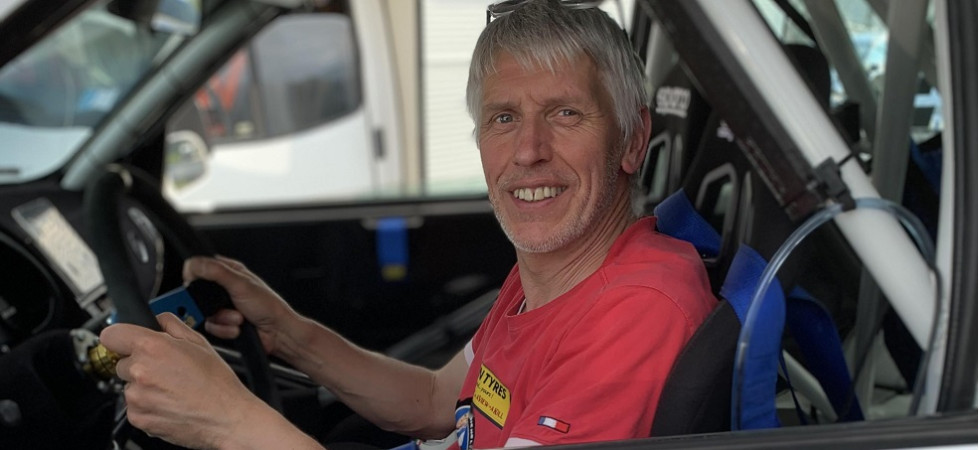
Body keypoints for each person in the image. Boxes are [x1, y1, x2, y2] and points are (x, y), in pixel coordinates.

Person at [98, 1, 717, 448]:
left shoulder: (637, 310)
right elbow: (436, 400)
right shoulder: (557, 272)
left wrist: (227, 421)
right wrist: (286, 332)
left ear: (631, 140)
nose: (528, 150)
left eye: (565, 114)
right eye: (503, 119)